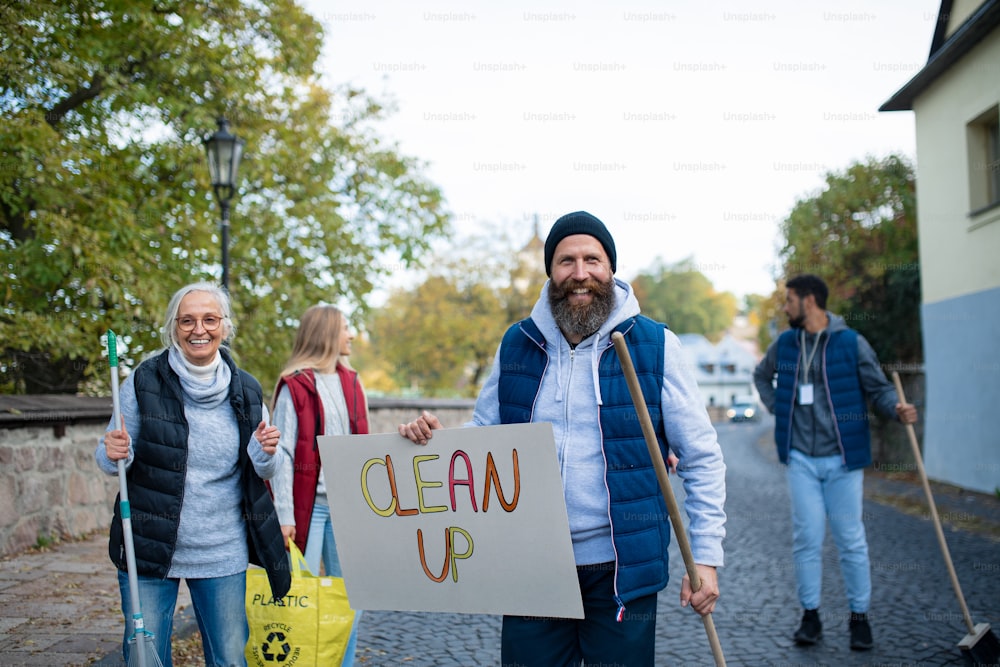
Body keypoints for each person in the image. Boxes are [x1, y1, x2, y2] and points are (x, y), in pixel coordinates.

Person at [398, 211, 727, 666]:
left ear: (610, 268)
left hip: (621, 570)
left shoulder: (654, 346)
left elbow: (701, 457)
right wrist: (432, 440)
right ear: (551, 271)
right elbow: (484, 438)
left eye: (592, 259)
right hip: (533, 565)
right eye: (566, 261)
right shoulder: (517, 344)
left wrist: (705, 556)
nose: (580, 273)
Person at [96, 282, 291, 667]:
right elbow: (110, 457)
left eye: (209, 319)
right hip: (150, 548)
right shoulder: (143, 381)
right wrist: (112, 451)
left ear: (225, 326)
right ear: (173, 327)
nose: (198, 329)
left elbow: (265, 466)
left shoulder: (247, 390)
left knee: (230, 659)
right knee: (145, 660)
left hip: (221, 550)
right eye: (187, 320)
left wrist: (265, 452)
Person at [752, 273, 918, 651]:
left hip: (843, 460)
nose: (786, 306)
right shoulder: (786, 343)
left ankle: (859, 618)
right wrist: (779, 407)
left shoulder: (850, 343)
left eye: (790, 299)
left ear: (809, 300)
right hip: (801, 459)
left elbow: (878, 387)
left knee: (851, 540)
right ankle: (810, 617)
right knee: (807, 538)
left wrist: (897, 408)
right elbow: (762, 375)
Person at [269, 304, 368, 666]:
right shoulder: (294, 387)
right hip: (305, 509)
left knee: (352, 595)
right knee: (299, 598)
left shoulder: (352, 382)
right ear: (326, 334)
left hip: (347, 507)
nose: (352, 335)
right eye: (345, 328)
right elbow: (281, 453)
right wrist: (283, 513)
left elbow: (363, 446)